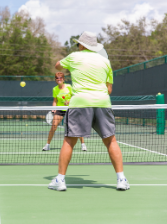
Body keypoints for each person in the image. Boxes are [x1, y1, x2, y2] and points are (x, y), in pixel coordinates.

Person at [48, 31, 130, 191]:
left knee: (69, 141)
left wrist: (64, 65)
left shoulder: (74, 57)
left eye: (78, 44)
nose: (77, 46)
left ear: (82, 45)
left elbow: (58, 66)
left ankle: (60, 181)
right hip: (102, 103)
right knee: (111, 141)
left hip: (80, 103)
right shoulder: (105, 61)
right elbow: (109, 89)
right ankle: (121, 179)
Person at [42, 72, 87, 151]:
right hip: (60, 109)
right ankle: (47, 145)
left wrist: (69, 102)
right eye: (57, 78)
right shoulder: (55, 89)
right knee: (54, 126)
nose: (59, 79)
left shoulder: (69, 87)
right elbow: (55, 101)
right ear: (55, 80)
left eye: (60, 78)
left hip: (70, 108)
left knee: (76, 127)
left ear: (63, 79)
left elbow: (75, 97)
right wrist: (53, 108)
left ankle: (83, 145)